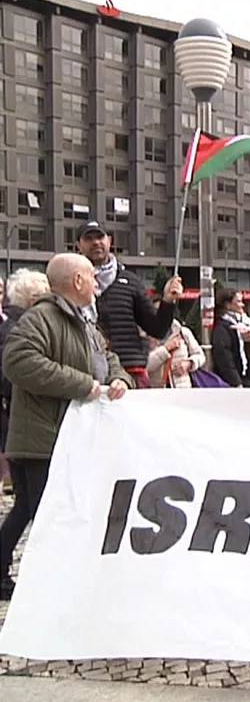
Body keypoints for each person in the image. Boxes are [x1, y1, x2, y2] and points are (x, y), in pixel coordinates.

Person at [0, 254, 130, 600]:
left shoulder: (83, 320)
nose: (96, 283)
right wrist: (83, 385)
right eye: (91, 276)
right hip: (44, 442)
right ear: (77, 281)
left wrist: (119, 378)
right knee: (51, 522)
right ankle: (52, 594)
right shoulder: (42, 318)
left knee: (45, 514)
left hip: (69, 438)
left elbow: (106, 358)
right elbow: (18, 362)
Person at [76, 221, 182, 388]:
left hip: (130, 372)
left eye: (100, 237)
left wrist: (168, 301)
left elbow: (157, 329)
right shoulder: (71, 282)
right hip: (87, 374)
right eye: (88, 238)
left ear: (109, 241)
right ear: (79, 245)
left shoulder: (130, 281)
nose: (95, 242)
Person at [0, 270, 50, 498]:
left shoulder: (13, 325)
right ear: (33, 300)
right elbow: (12, 376)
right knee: (30, 501)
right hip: (26, 423)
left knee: (26, 503)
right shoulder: (21, 329)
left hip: (21, 424)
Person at [146, 317, 205, 389]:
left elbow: (200, 356)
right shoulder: (146, 334)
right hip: (157, 390)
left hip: (182, 388)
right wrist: (166, 348)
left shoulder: (183, 332)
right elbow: (146, 365)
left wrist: (189, 363)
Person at [211, 288, 250, 387]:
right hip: (231, 382)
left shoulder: (244, 323)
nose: (242, 305)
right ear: (228, 305)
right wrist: (236, 382)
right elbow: (224, 358)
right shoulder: (222, 328)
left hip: (245, 376)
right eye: (238, 301)